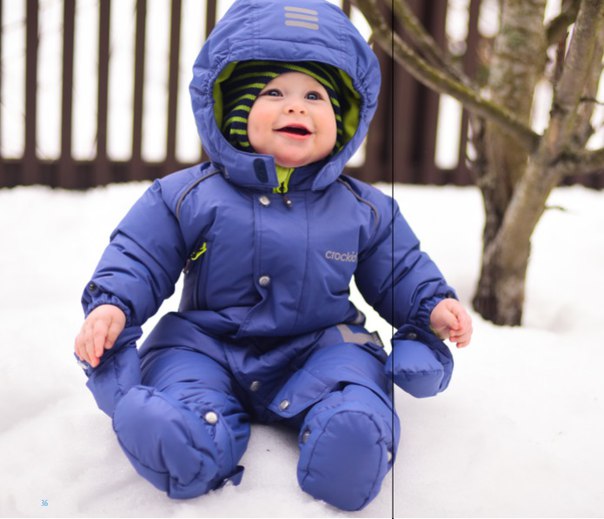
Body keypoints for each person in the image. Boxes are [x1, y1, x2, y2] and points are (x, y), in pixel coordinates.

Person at [74, 0, 472, 512]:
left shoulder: (363, 209)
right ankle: (184, 436)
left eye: (315, 95)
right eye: (274, 93)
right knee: (180, 378)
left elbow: (400, 268)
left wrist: (431, 305)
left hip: (319, 345)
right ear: (233, 110)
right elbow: (140, 255)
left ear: (345, 119)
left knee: (354, 379)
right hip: (207, 343)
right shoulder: (188, 196)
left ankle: (350, 436)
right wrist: (113, 305)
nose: (297, 107)